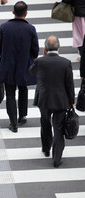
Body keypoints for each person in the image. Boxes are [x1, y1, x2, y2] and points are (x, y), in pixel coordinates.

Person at [0, 1, 39, 133]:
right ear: (26, 13)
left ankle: (13, 123)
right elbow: (35, 50)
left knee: (10, 93)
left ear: (13, 12)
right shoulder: (30, 29)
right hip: (24, 65)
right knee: (23, 89)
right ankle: (22, 116)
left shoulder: (4, 27)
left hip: (7, 66)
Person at [29, 36, 75, 168]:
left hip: (44, 99)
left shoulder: (39, 61)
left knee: (45, 123)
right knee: (58, 128)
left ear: (45, 48)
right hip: (61, 101)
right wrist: (71, 101)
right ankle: (56, 159)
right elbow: (69, 84)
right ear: (59, 47)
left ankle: (46, 148)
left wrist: (41, 56)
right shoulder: (65, 63)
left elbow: (31, 71)